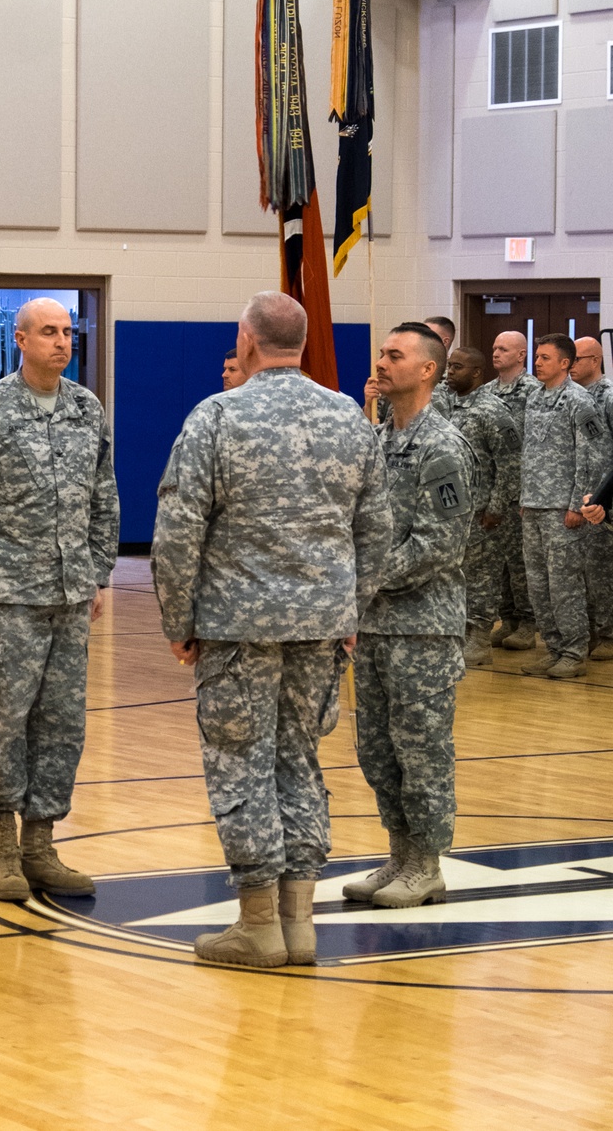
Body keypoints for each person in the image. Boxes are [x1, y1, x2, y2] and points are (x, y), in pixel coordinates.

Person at [151, 292, 391, 969]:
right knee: (300, 764)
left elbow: (176, 533)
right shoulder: (349, 417)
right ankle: (300, 924)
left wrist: (178, 619)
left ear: (248, 343)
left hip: (236, 629)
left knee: (241, 766)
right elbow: (377, 529)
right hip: (321, 629)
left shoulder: (218, 417)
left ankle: (259, 926)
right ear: (305, 343)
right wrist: (352, 610)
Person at [0, 297, 120, 902]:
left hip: (69, 596)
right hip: (6, 595)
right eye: (48, 332)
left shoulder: (86, 408)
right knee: (5, 721)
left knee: (62, 724)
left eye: (68, 332)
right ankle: (2, 849)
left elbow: (104, 494)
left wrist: (97, 574)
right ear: (19, 339)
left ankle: (41, 844)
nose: (62, 342)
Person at [345, 323, 476, 909]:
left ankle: (426, 863)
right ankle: (398, 853)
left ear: (427, 369)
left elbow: (439, 545)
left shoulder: (440, 445)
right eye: (381, 353)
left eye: (395, 354)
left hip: (423, 624)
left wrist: (364, 575)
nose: (382, 362)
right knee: (378, 747)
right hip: (375, 623)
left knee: (420, 746)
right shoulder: (379, 440)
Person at [519, 334, 608, 679]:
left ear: (565, 363)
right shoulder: (534, 398)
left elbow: (594, 457)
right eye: (536, 357)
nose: (537, 363)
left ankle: (573, 651)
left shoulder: (580, 401)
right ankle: (553, 648)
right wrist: (526, 498)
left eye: (544, 358)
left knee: (565, 584)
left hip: (563, 509)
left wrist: (577, 504)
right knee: (538, 584)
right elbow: (531, 452)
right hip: (535, 505)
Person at [443, 348, 521, 666]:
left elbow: (511, 463)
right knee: (456, 575)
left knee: (482, 577)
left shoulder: (493, 411)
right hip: (451, 509)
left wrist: (497, 507)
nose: (449, 372)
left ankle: (480, 640)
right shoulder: (447, 405)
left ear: (476, 373)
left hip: (482, 512)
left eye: (457, 367)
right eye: (448, 366)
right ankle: (459, 632)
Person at [485, 330, 541, 649]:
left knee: (521, 561)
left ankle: (528, 623)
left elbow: (537, 445)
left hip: (522, 490)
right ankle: (507, 618)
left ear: (521, 355)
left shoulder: (533, 390)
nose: (496, 353)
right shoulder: (488, 391)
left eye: (503, 349)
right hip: (495, 489)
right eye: (494, 348)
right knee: (500, 560)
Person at [569, 336, 613, 659]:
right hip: (579, 495)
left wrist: (603, 496)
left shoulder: (608, 397)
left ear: (595, 360)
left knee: (600, 569)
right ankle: (591, 632)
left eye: (577, 358)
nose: (570, 365)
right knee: (581, 569)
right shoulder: (572, 397)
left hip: (602, 498)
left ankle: (608, 633)